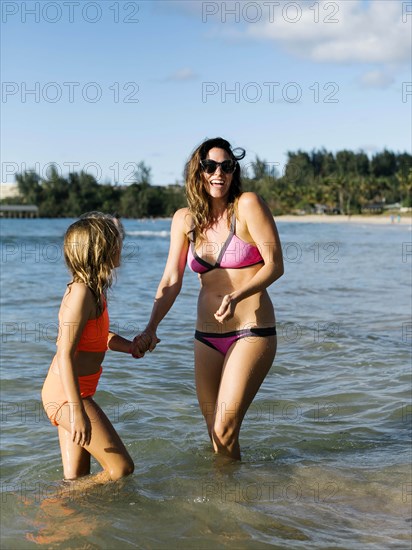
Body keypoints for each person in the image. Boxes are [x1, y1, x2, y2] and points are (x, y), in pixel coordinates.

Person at [132, 137, 284, 460]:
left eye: (227, 167)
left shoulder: (247, 206)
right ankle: (226, 501)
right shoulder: (185, 221)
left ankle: (234, 501)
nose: (219, 173)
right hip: (207, 337)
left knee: (225, 427)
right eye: (211, 166)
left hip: (252, 330)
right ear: (197, 172)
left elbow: (275, 265)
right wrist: (151, 327)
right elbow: (172, 280)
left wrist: (237, 294)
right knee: (215, 434)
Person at [41, 213, 135, 482]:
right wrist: (76, 410)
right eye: (115, 241)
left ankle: (62, 518)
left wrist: (130, 347)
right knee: (121, 469)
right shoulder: (81, 293)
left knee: (76, 478)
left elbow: (98, 336)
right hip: (67, 396)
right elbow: (65, 355)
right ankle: (52, 503)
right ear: (99, 249)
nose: (120, 245)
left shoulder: (95, 291)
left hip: (75, 393)